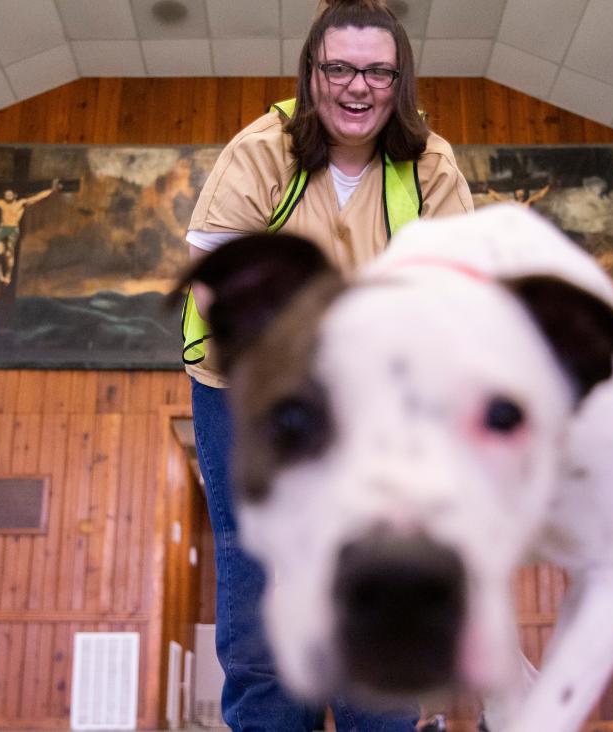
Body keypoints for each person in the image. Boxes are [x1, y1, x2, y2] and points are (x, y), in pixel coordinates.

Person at [182, 1, 473, 729]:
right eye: (339, 68)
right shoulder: (260, 150)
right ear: (311, 73)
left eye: (377, 71)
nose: (357, 87)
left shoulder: (428, 160)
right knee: (258, 574)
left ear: (400, 80)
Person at [0, 179, 59, 285]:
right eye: (6, 194)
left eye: (10, 194)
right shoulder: (2, 203)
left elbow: (37, 198)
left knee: (8, 254)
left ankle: (8, 275)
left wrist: (51, 190)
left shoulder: (21, 203)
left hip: (12, 230)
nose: (8, 195)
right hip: (2, 229)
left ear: (15, 195)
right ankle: (0, 276)